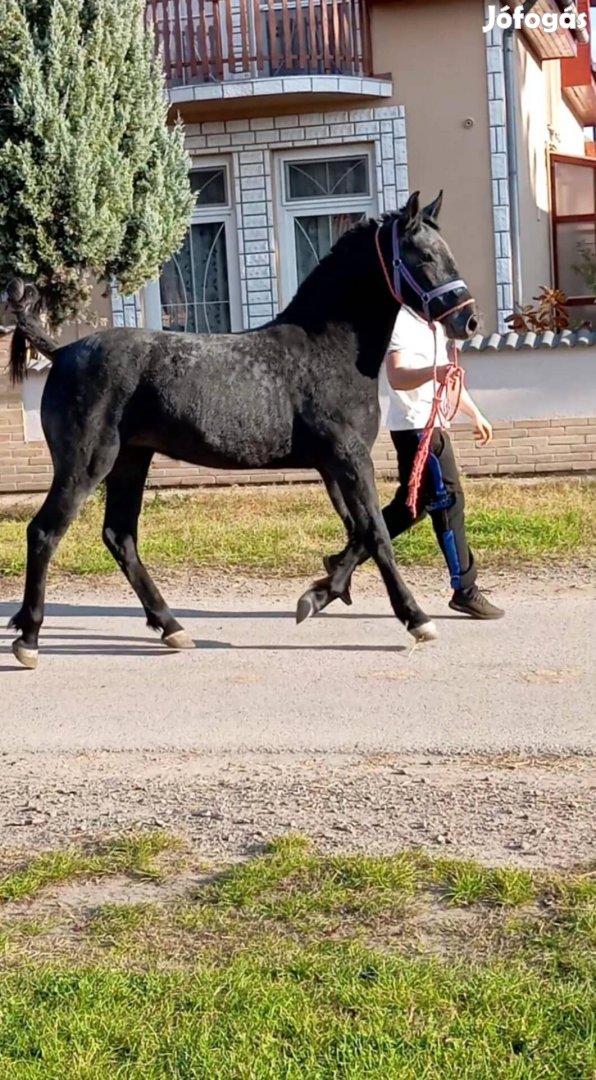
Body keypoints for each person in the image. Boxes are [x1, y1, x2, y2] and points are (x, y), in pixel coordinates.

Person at [328, 306, 505, 619]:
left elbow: (448, 378)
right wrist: (433, 372)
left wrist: (475, 413)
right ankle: (465, 589)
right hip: (416, 429)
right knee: (449, 502)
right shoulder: (399, 322)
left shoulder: (435, 325)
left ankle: (345, 559)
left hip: (432, 425)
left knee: (409, 509)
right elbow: (397, 377)